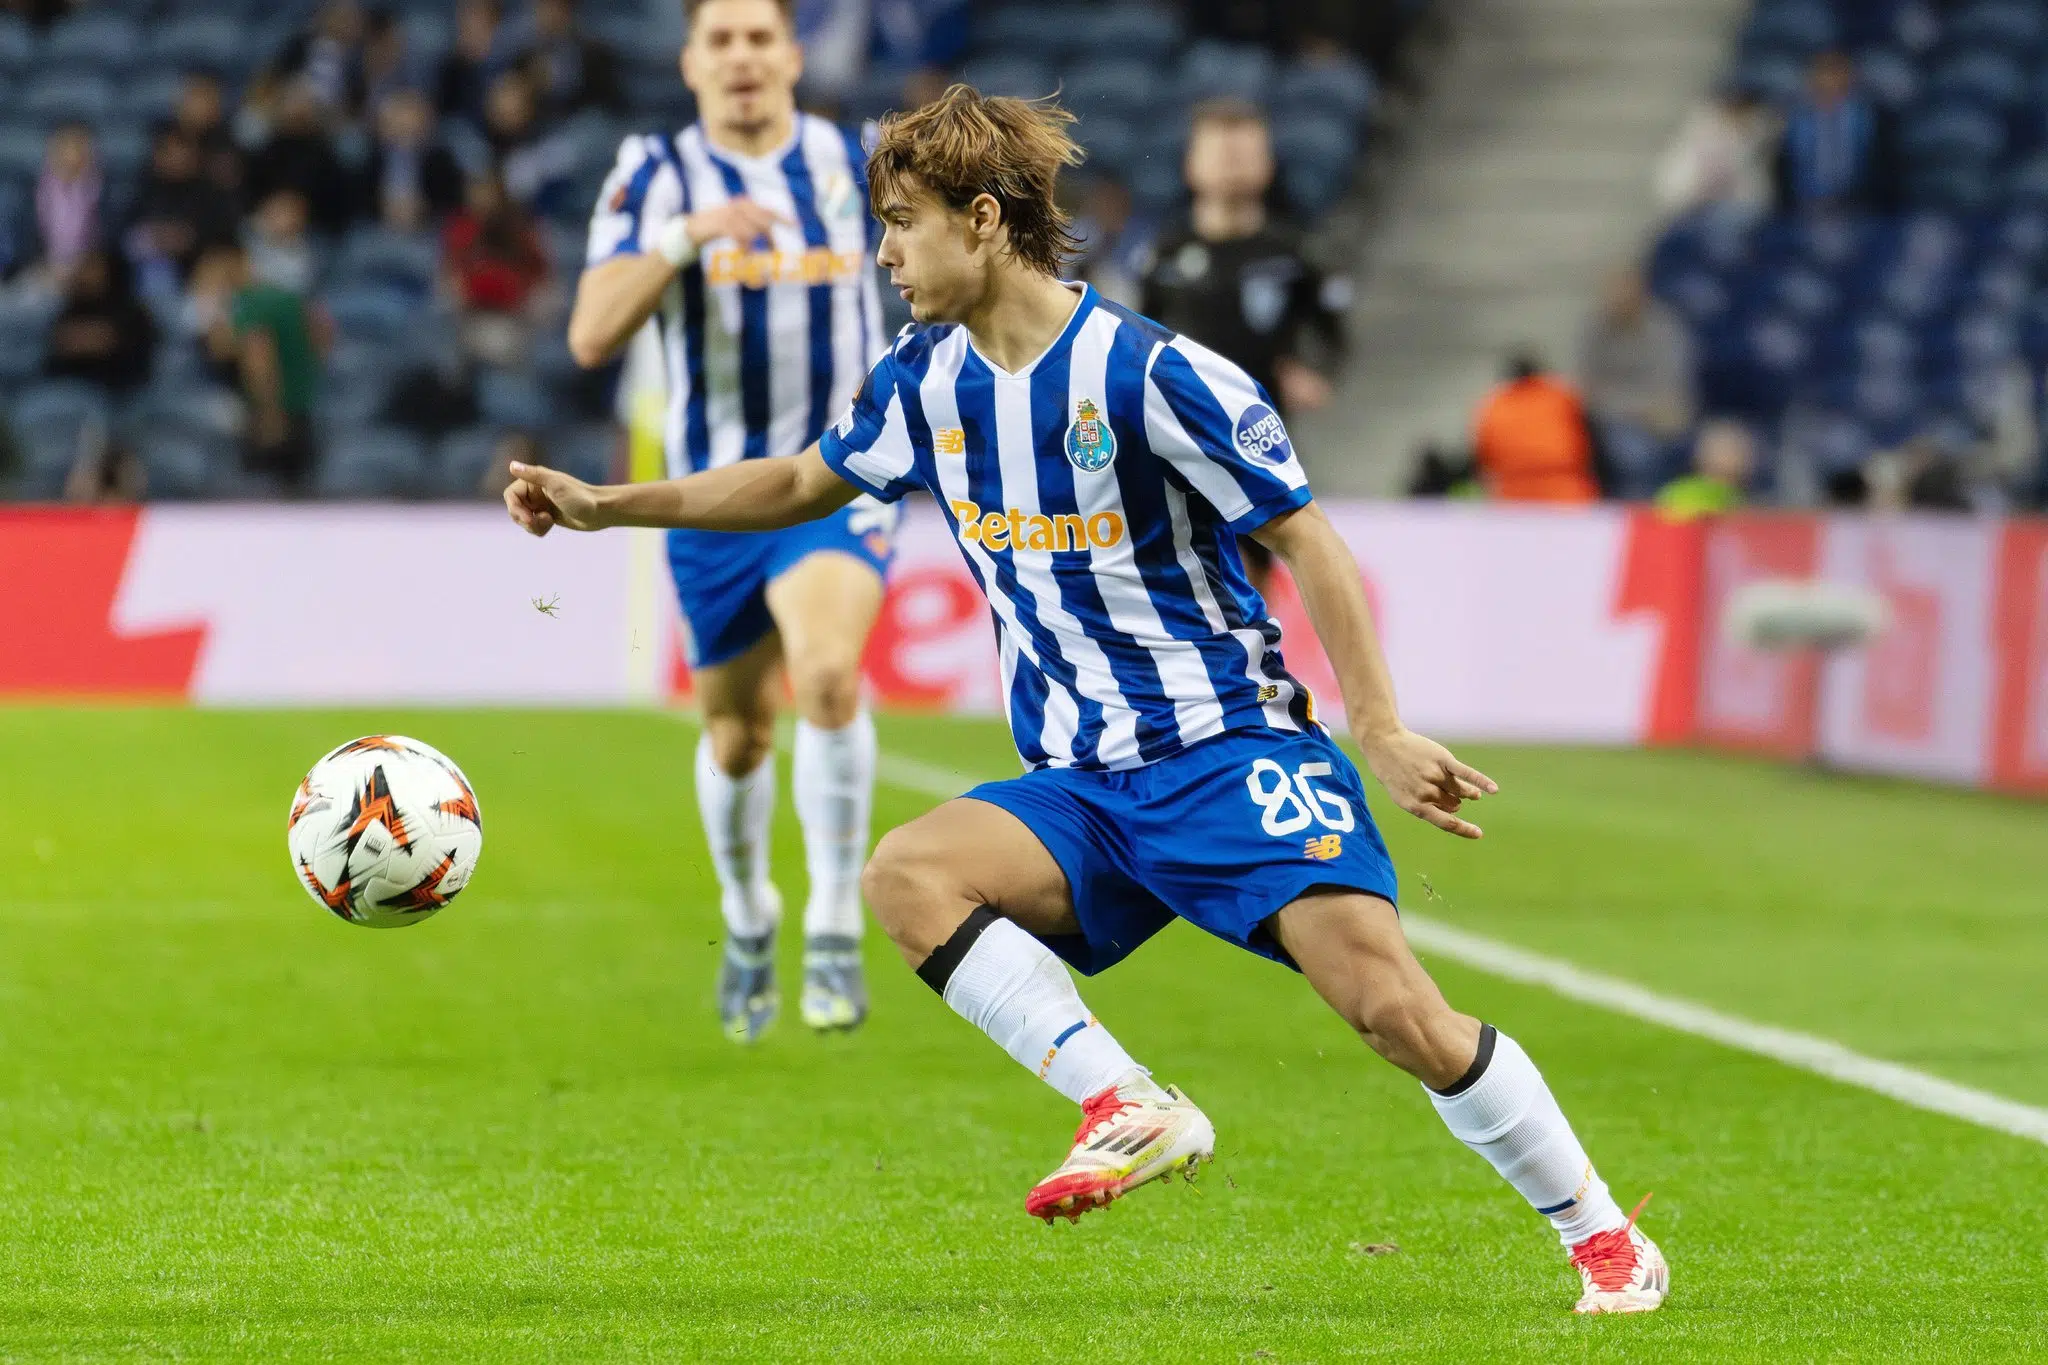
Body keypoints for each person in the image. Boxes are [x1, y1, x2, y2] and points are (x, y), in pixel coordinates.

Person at [507, 83, 1669, 1317]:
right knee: (906, 874)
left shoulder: (1153, 374)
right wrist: (605, 505)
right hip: (1082, 787)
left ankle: (1602, 1238)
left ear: (987, 221)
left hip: (1228, 754)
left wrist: (1374, 726)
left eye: (903, 224)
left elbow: (1309, 541)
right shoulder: (923, 382)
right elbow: (801, 474)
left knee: (1396, 1016)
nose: (885, 255)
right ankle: (1127, 1102)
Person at [566, 0, 891, 1040]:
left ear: (794, 57)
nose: (743, 57)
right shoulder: (655, 173)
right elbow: (590, 333)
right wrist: (682, 239)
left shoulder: (861, 162)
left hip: (837, 477)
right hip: (712, 499)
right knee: (739, 736)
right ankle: (749, 912)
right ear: (690, 63)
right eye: (723, 40)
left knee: (830, 676)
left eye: (761, 38)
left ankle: (835, 922)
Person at [1139, 98, 1349, 590]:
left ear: (1268, 164)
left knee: (1259, 570)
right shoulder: (1164, 256)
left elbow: (1332, 331)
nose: (1231, 163)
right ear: (1192, 165)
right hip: (1176, 439)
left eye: (1244, 151)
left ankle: (1258, 664)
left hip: (1262, 440)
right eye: (1218, 151)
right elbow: (1129, 339)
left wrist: (1312, 371)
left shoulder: (1293, 253)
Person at [193, 241, 325, 491]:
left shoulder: (251, 303)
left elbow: (257, 355)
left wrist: (268, 411)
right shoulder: (286, 298)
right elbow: (321, 338)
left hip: (272, 415)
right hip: (302, 405)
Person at [1577, 264, 1692, 500]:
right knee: (1631, 450)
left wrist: (1635, 407)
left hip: (1660, 421)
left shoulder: (1663, 329)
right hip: (1609, 421)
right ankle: (1635, 511)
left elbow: (1669, 388)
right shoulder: (1595, 331)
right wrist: (1633, 409)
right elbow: (1589, 390)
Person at [443, 172, 551, 367]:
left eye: (487, 192)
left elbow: (542, 276)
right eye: (476, 191)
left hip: (516, 320)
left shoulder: (521, 229)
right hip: (470, 318)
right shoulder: (460, 229)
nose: (481, 198)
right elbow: (450, 278)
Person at [1773, 51, 1900, 215]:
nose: (1830, 80)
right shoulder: (1791, 119)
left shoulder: (1872, 118)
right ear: (1811, 78)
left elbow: (1884, 171)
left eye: (1837, 72)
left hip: (1860, 208)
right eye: (1824, 72)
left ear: (1851, 77)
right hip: (1803, 207)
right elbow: (1783, 171)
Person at [1472, 353, 1600, 503]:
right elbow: (1589, 438)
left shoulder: (1493, 405)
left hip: (1512, 494)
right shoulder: (1561, 396)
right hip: (1565, 489)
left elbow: (1483, 456)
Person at [1655, 85, 1777, 220]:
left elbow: (1754, 196)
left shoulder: (1757, 136)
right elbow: (1673, 190)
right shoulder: (1703, 130)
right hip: (1692, 207)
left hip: (1736, 210)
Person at [360, 89, 466, 231]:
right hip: (377, 230)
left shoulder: (440, 161)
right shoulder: (371, 160)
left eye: (410, 123)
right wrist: (381, 206)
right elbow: (360, 202)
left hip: (428, 231)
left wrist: (423, 208)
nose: (404, 129)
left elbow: (449, 201)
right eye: (398, 123)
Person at [519, 0, 623, 118]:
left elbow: (598, 97)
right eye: (542, 6)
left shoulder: (591, 51)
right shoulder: (526, 49)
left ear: (567, 12)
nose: (546, 14)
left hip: (584, 118)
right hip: (542, 123)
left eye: (554, 8)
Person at [33, 123, 101, 282]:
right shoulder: (35, 191)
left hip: (91, 272)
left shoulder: (104, 191)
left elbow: (108, 239)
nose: (71, 156)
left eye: (78, 148)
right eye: (65, 148)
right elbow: (28, 242)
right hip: (44, 269)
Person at [1655, 419, 1752, 519]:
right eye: (1724, 449)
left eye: (1737, 449)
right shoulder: (1679, 493)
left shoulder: (1747, 499)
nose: (1733, 456)